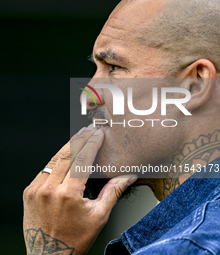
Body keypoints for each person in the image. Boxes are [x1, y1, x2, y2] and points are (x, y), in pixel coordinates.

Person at [23, 0, 220, 254]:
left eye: (114, 67)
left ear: (195, 85)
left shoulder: (187, 247)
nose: (87, 96)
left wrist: (51, 250)